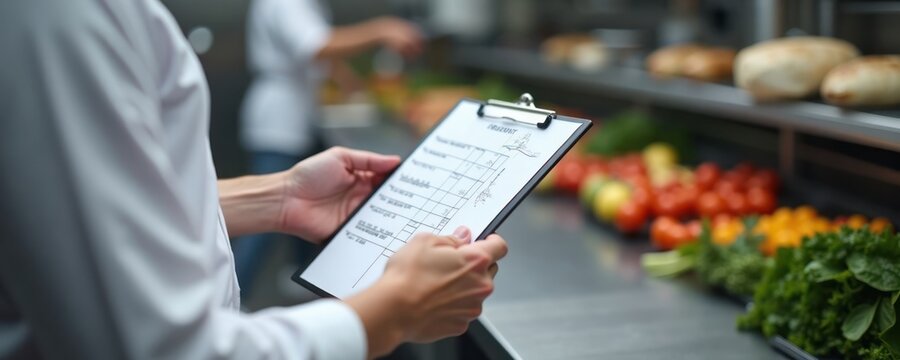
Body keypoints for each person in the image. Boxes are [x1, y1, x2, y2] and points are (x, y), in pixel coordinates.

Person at [0, 0, 506, 359]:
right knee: (256, 255)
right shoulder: (64, 14)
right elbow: (165, 350)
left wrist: (277, 197)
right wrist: (395, 309)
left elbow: (86, 209)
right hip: (276, 118)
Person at [236, 0, 424, 298]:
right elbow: (316, 46)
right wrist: (380, 29)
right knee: (265, 215)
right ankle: (231, 299)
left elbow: (317, 55)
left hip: (296, 115)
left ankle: (300, 281)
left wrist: (348, 81)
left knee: (299, 204)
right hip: (279, 120)